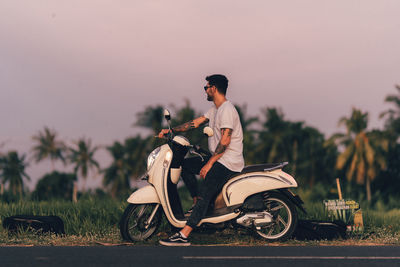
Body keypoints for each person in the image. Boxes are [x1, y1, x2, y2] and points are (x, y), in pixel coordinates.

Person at [158, 74, 244, 246]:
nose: (205, 90)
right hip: (219, 157)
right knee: (184, 165)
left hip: (228, 162)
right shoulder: (215, 110)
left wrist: (209, 164)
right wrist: (171, 131)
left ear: (214, 88)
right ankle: (196, 202)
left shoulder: (227, 110)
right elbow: (195, 123)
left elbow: (225, 142)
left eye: (206, 87)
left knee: (206, 191)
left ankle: (184, 235)